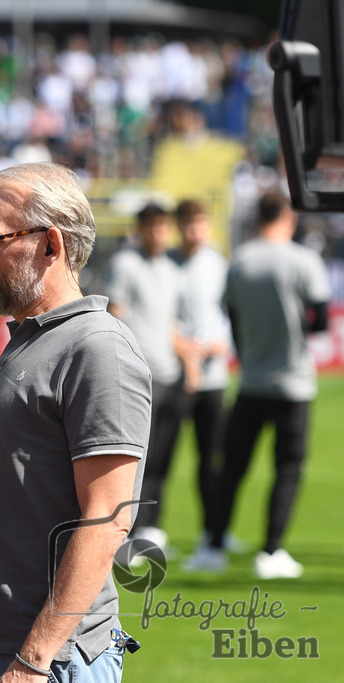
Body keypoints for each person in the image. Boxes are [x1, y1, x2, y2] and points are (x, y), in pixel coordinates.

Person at [0, 162, 151, 683]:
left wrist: (33, 660)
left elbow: (108, 519)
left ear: (50, 244)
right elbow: (9, 505)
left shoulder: (97, 348)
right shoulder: (29, 341)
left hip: (50, 660)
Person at [195, 191, 330, 578]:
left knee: (232, 466)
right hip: (294, 383)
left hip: (251, 379)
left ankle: (214, 543)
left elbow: (232, 315)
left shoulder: (241, 261)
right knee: (287, 468)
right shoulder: (304, 260)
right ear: (288, 217)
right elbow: (320, 321)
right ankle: (271, 551)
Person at [106, 202, 188, 552]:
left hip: (171, 374)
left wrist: (189, 359)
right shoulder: (125, 264)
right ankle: (124, 537)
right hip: (139, 378)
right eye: (154, 227)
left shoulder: (171, 269)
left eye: (164, 227)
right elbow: (114, 315)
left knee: (162, 460)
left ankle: (150, 532)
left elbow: (170, 323)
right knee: (135, 461)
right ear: (140, 229)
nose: (160, 234)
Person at [167, 200, 234, 571]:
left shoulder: (219, 266)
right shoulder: (168, 265)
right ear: (180, 226)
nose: (197, 230)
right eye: (190, 223)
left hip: (213, 377)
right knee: (160, 457)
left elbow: (229, 315)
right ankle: (149, 534)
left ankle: (213, 532)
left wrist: (215, 345)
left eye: (202, 223)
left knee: (211, 461)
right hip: (175, 375)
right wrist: (185, 350)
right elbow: (164, 316)